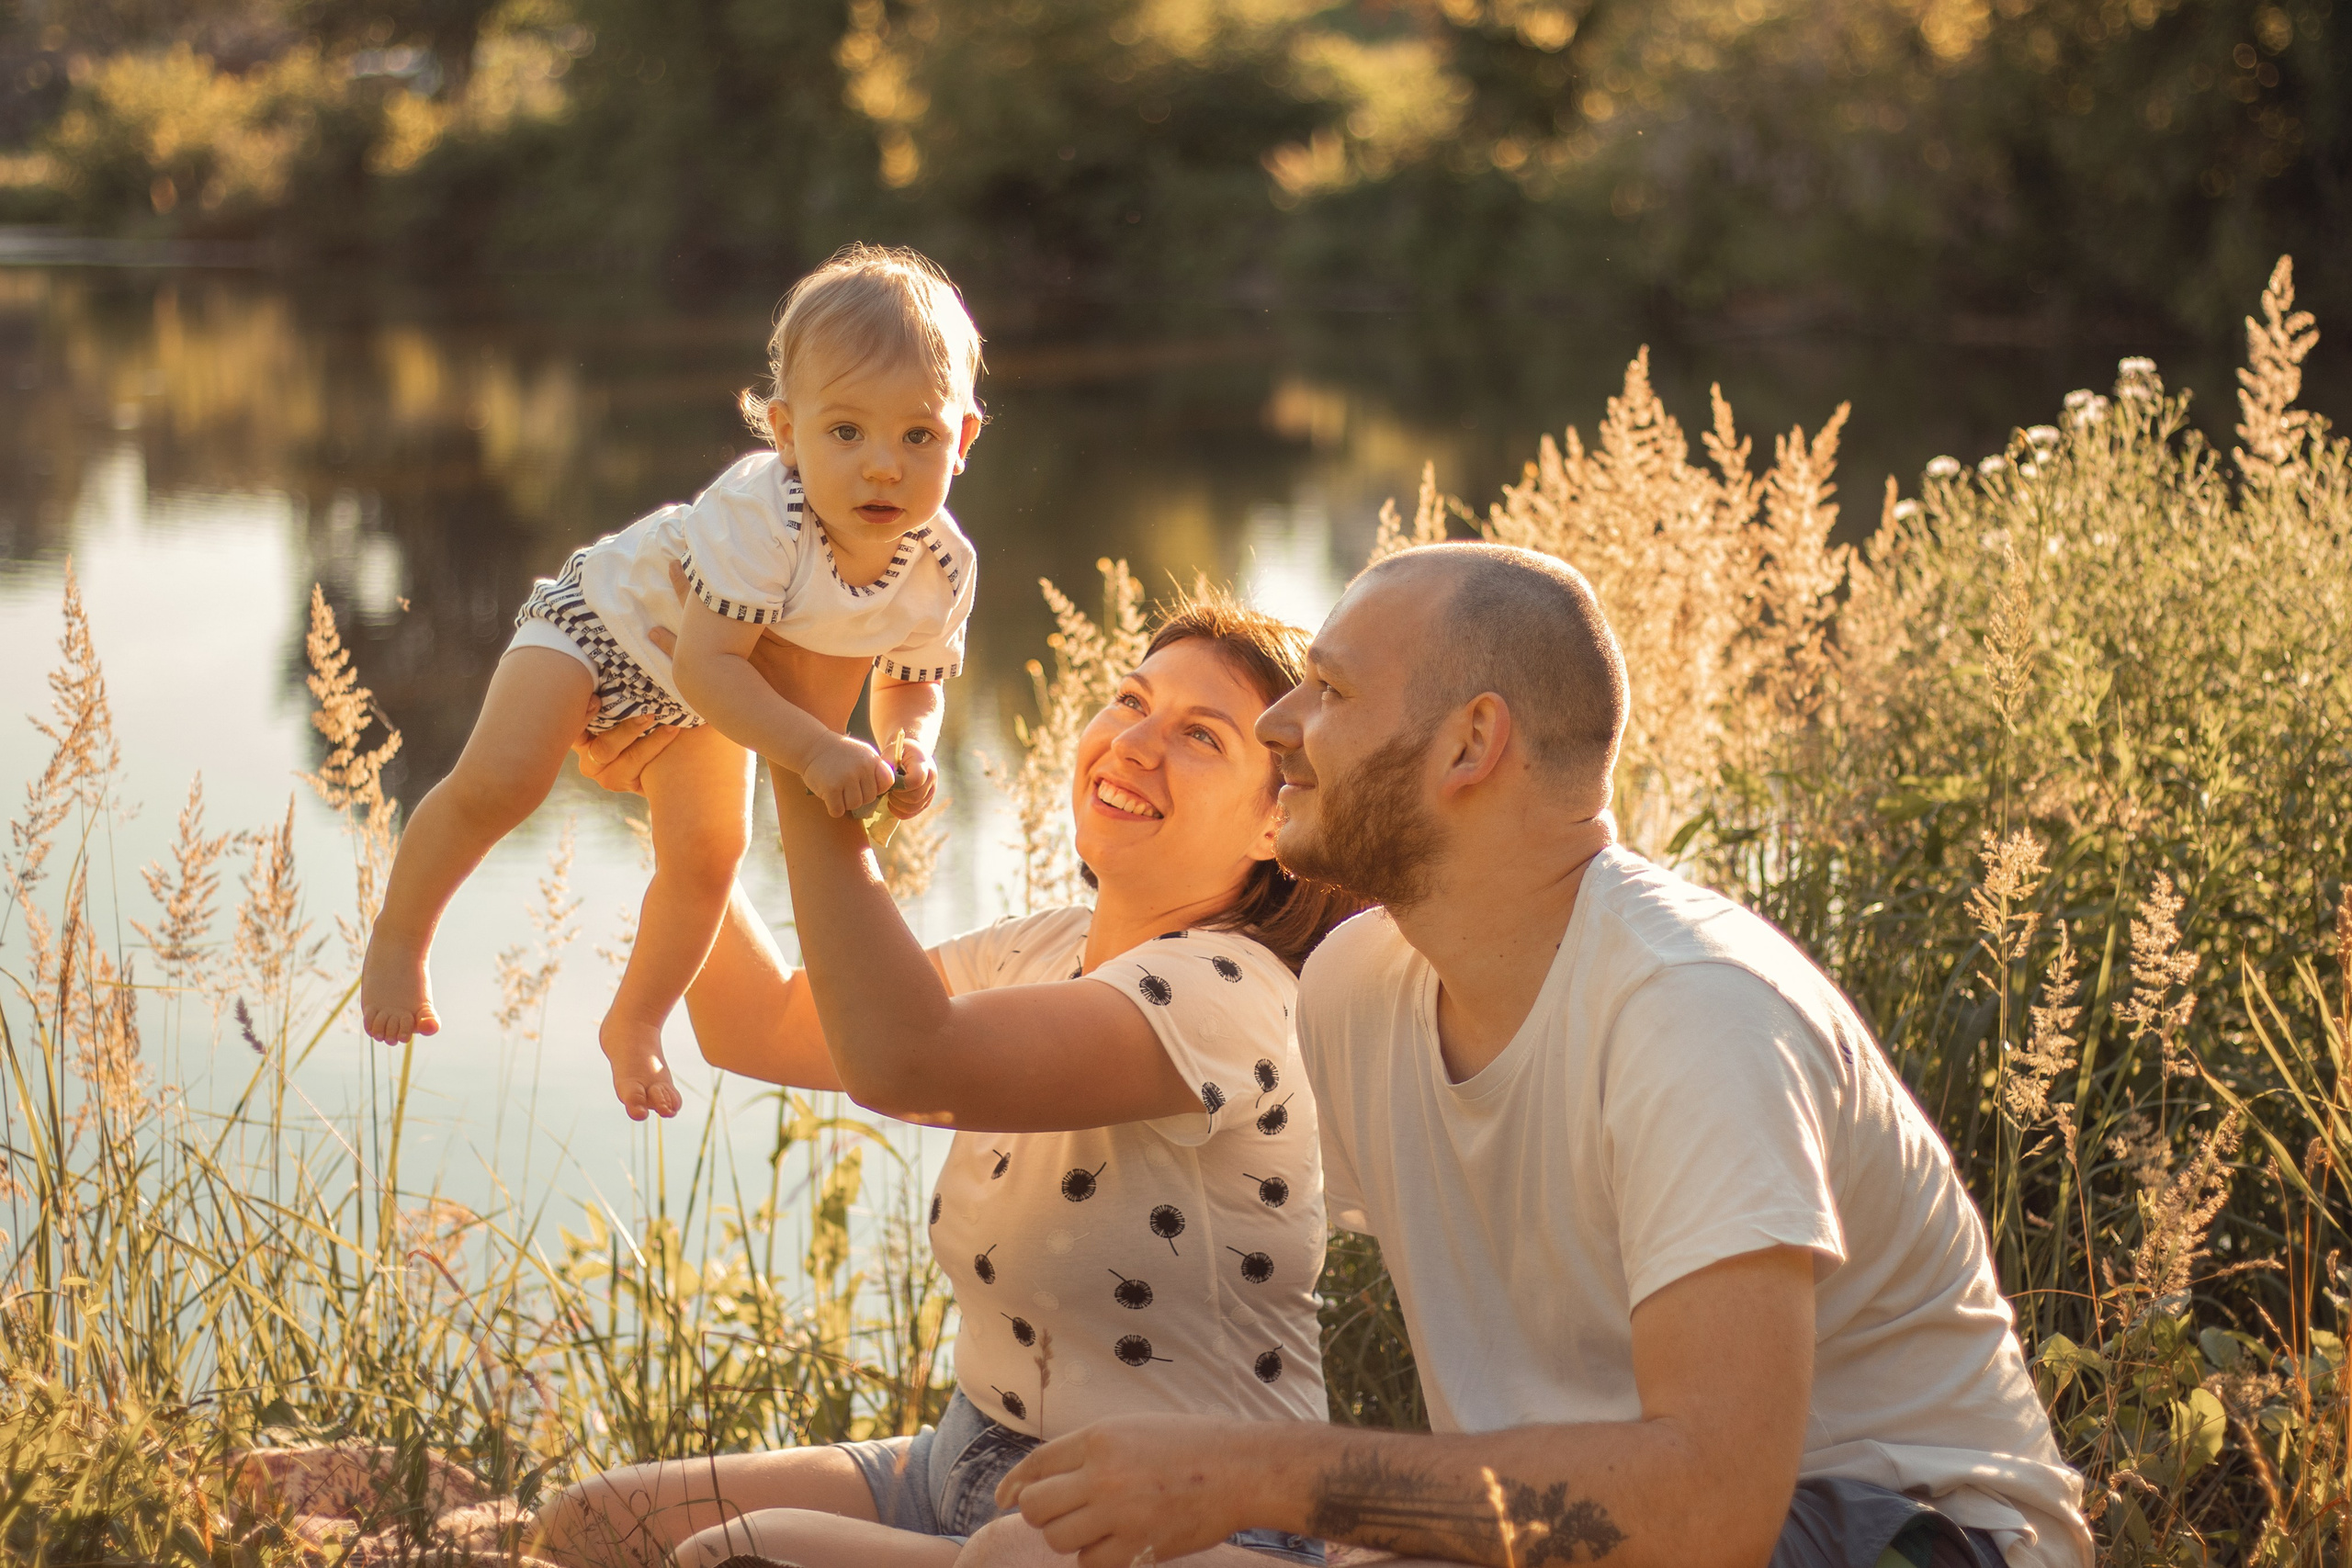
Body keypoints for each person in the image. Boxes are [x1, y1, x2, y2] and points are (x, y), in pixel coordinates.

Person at [968, 542, 2092, 1568]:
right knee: (1019, 1561)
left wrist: (1261, 1476)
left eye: (1334, 692)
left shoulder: (1692, 1013)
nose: (1281, 725)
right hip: (1582, 1542)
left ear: (1470, 742)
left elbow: (1711, 1515)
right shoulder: (1359, 990)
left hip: (1907, 1538)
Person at [534, 591, 1365, 1568]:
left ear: (1278, 825)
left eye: (1200, 737)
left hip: (1196, 1522)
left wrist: (804, 743)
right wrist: (695, 776)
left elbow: (907, 1061)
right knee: (591, 1525)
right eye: (1131, 700)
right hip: (962, 1465)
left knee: (742, 1553)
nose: (1134, 744)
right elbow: (758, 1026)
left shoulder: (1226, 993)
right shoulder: (1047, 946)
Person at [359, 244, 982, 1122]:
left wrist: (906, 740)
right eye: (846, 431)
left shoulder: (943, 567)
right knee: (504, 781)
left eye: (917, 435)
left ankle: (636, 1020)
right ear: (786, 430)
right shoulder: (764, 511)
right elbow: (707, 661)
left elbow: (911, 676)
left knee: (710, 858)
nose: (883, 465)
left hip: (712, 698)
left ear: (962, 439)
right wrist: (814, 748)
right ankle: (400, 935)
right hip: (607, 627)